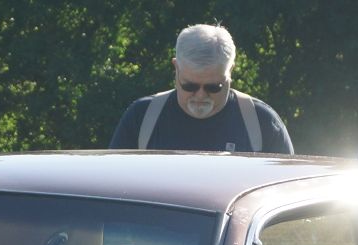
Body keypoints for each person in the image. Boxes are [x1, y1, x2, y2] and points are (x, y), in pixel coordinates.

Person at [108, 23, 293, 154]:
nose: (200, 95)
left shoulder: (262, 124)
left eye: (214, 87)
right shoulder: (142, 119)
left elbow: (288, 195)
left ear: (231, 71)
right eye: (190, 85)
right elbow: (112, 190)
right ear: (176, 68)